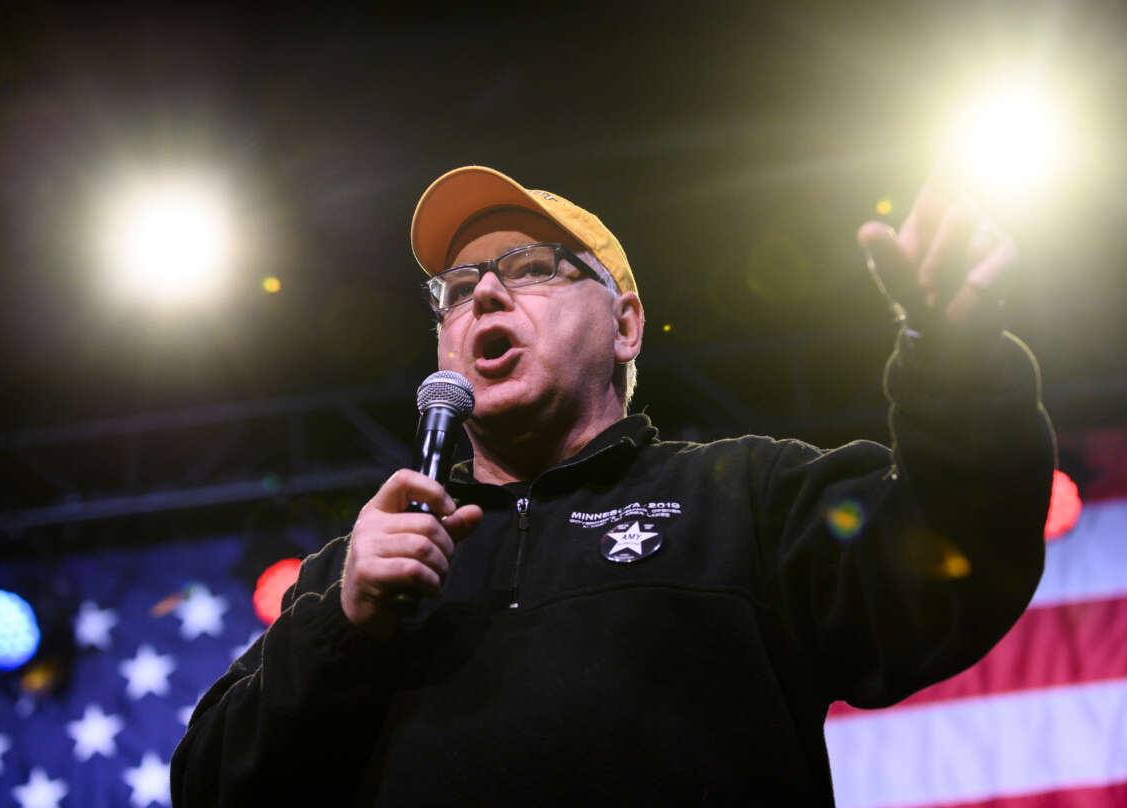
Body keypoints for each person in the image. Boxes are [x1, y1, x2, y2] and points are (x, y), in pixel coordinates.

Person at [171, 165, 1055, 805]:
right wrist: (341, 630)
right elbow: (210, 788)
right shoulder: (354, 576)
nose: (481, 298)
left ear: (625, 324)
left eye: (530, 269)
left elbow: (956, 566)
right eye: (456, 288)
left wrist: (959, 370)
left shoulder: (745, 496)